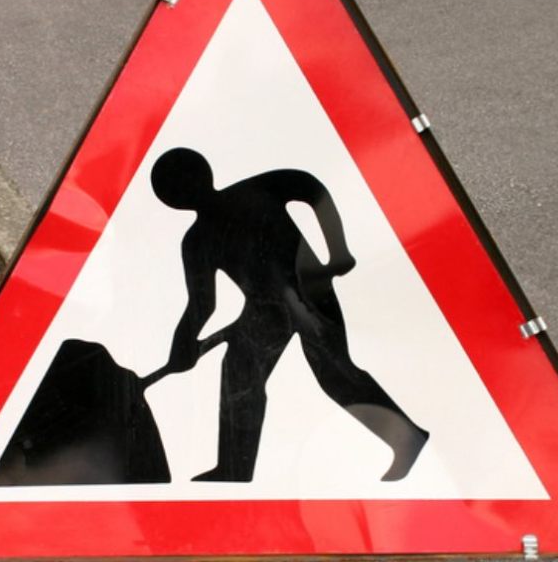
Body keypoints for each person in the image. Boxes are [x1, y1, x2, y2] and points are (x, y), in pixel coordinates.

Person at [151, 147, 428, 482]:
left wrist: (338, 250)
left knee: (334, 373)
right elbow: (201, 304)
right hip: (263, 308)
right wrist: (182, 345)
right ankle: (234, 468)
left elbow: (311, 188)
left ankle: (407, 436)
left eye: (181, 183)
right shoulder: (197, 241)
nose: (182, 192)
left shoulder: (254, 192)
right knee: (240, 372)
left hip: (308, 291)